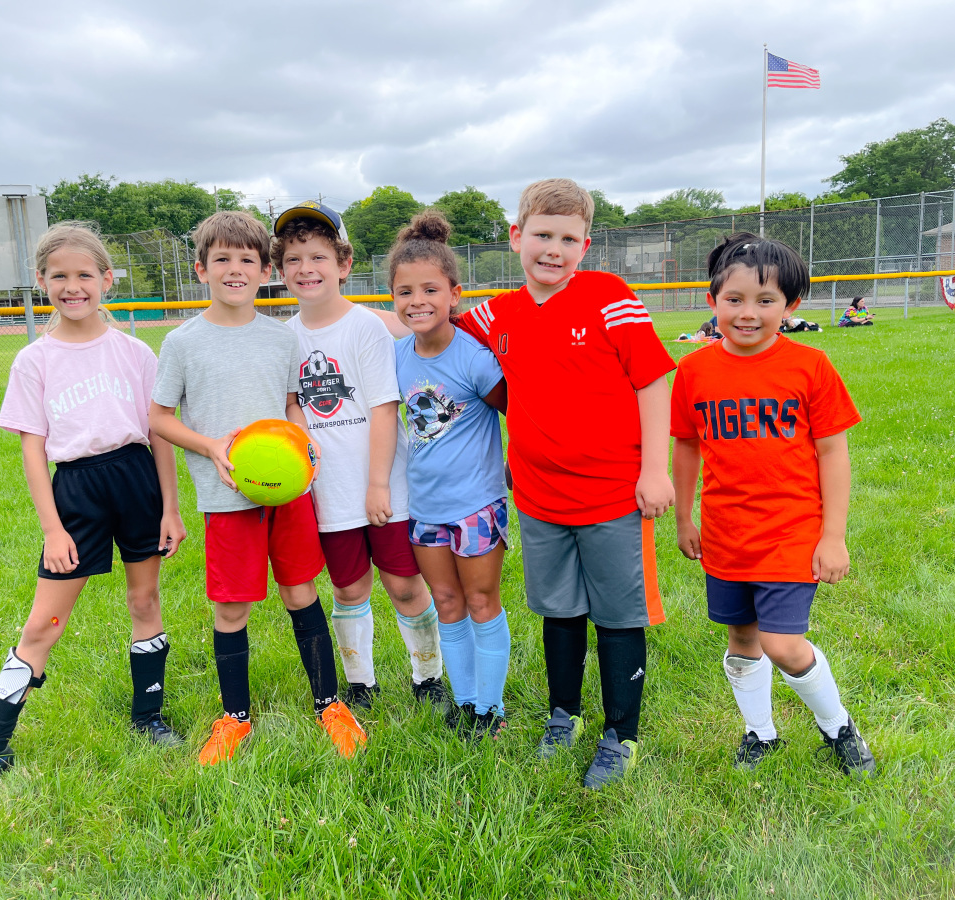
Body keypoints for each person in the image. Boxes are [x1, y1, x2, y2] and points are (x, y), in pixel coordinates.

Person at [454, 179, 675, 788]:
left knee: (617, 615)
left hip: (611, 492)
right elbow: (432, 331)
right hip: (538, 495)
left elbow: (653, 382)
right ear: (516, 236)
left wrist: (654, 470)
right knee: (558, 609)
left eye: (569, 239)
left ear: (586, 245)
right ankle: (564, 715)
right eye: (543, 235)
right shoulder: (496, 313)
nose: (554, 249)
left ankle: (621, 733)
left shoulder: (608, 296)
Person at [0, 222, 187, 789]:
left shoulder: (134, 352)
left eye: (85, 274)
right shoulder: (34, 361)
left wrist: (170, 509)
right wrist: (52, 528)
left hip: (137, 482)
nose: (73, 286)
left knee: (145, 598)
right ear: (41, 281)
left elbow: (158, 435)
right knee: (45, 622)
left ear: (107, 279)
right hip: (77, 491)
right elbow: (33, 450)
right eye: (59, 276)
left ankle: (148, 716)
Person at [149, 210, 366, 765]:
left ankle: (329, 704)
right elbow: (159, 418)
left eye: (246, 259)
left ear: (265, 269)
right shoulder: (182, 342)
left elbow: (291, 404)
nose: (235, 269)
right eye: (222, 259)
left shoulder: (280, 337)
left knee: (301, 592)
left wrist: (301, 440)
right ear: (201, 269)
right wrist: (211, 446)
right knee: (232, 608)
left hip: (287, 492)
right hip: (227, 499)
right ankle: (235, 717)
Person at [670, 233, 875, 776]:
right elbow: (687, 445)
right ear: (712, 299)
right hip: (724, 531)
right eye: (734, 299)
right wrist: (685, 515)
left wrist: (833, 535)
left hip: (791, 531)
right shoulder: (694, 372)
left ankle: (839, 728)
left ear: (791, 308)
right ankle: (760, 734)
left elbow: (833, 452)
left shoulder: (809, 366)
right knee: (742, 640)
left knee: (782, 643)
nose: (747, 313)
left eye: (766, 301)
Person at [271, 201, 448, 715]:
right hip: (326, 491)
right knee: (348, 588)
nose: (307, 268)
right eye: (295, 259)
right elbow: (291, 406)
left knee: (405, 585)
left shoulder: (365, 328)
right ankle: (360, 684)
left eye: (319, 256)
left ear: (344, 264)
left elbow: (384, 408)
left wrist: (378, 486)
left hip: (382, 487)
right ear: (281, 271)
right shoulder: (285, 339)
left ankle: (427, 677)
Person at [387, 211, 512, 740]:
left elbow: (518, 414)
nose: (417, 301)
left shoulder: (475, 359)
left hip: (478, 505)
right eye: (404, 291)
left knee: (481, 602)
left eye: (430, 290)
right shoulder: (394, 357)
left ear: (454, 294)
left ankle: (491, 707)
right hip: (427, 510)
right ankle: (464, 703)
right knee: (447, 603)